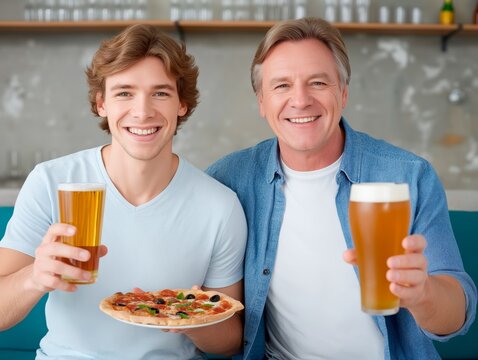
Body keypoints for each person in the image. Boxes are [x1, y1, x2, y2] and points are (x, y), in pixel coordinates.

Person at [207, 17, 477, 360]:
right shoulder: (229, 180)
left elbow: (457, 313)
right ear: (262, 102)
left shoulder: (409, 176)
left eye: (318, 83)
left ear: (344, 93)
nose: (300, 100)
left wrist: (423, 294)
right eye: (281, 86)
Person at [0, 24, 247, 360]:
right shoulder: (52, 182)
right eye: (124, 92)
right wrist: (34, 277)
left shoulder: (220, 205)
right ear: (102, 103)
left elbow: (231, 341)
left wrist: (191, 316)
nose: (142, 111)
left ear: (182, 104)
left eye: (160, 93)